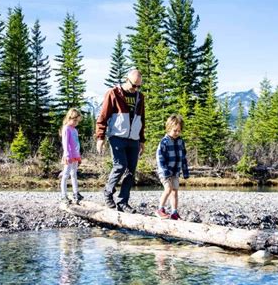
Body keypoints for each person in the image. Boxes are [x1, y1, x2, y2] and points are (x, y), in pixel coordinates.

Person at [96, 69, 145, 212]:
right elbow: (103, 117)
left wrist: (141, 140)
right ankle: (108, 192)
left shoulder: (140, 97)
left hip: (133, 139)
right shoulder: (113, 93)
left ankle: (123, 202)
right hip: (117, 136)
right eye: (134, 85)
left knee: (131, 171)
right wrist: (100, 137)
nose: (135, 88)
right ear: (126, 79)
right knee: (120, 166)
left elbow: (141, 119)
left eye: (138, 86)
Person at [155, 114, 189, 220]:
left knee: (175, 191)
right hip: (165, 171)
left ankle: (174, 212)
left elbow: (183, 157)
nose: (177, 133)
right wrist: (165, 171)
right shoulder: (164, 142)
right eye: (175, 130)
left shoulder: (180, 142)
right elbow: (160, 158)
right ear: (169, 128)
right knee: (168, 189)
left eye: (179, 131)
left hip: (175, 171)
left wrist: (185, 171)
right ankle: (160, 209)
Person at [60, 108, 84, 205]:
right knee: (66, 175)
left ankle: (75, 193)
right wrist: (66, 154)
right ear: (69, 118)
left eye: (77, 121)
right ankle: (63, 195)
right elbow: (65, 143)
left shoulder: (74, 130)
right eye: (74, 120)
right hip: (68, 155)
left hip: (75, 155)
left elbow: (76, 143)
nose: (76, 123)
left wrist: (78, 155)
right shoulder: (66, 128)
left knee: (74, 174)